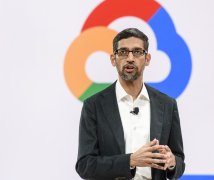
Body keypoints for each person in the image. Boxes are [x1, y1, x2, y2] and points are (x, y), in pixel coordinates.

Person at [76, 28, 185, 180]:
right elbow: (85, 166)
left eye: (137, 52)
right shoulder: (93, 106)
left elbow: (179, 160)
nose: (130, 58)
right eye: (123, 52)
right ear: (113, 59)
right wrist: (130, 161)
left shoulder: (167, 104)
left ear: (147, 59)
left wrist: (172, 162)